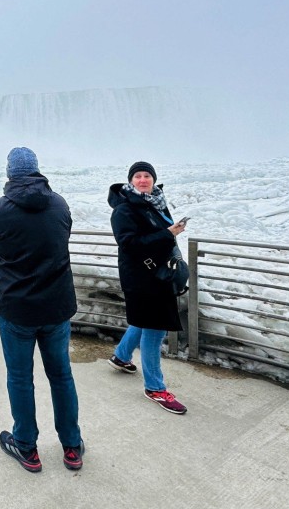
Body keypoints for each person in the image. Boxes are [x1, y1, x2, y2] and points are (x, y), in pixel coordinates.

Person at [0, 147, 84, 473]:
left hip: (17, 309)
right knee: (61, 376)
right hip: (56, 308)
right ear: (37, 170)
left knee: (21, 379)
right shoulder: (60, 204)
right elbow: (61, 235)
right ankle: (71, 447)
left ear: (9, 173)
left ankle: (26, 446)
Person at [107, 160, 188, 414]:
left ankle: (121, 356)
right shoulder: (124, 210)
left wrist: (170, 234)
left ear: (153, 180)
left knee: (144, 322)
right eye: (138, 176)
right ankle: (155, 388)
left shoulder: (156, 203)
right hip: (142, 279)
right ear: (130, 181)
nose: (143, 180)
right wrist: (168, 234)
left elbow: (162, 237)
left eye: (147, 176)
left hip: (157, 276)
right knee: (154, 331)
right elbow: (129, 244)